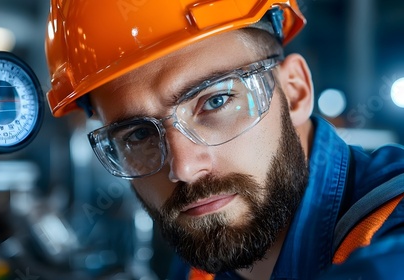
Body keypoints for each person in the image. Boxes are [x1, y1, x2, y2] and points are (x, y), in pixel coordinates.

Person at [44, 0, 404, 279]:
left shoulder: (390, 230)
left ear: (294, 92)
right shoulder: (203, 264)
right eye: (138, 134)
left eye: (215, 101)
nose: (183, 167)